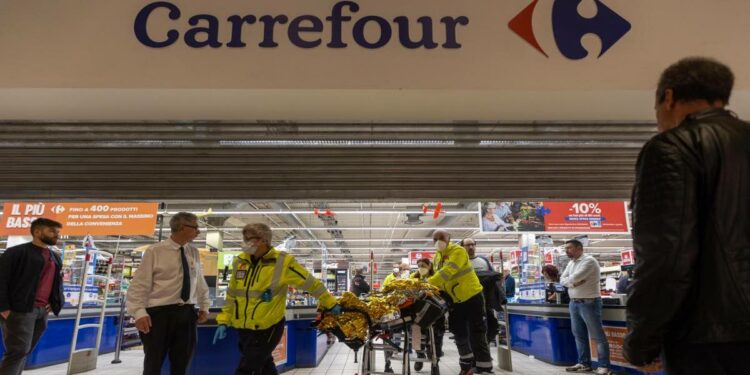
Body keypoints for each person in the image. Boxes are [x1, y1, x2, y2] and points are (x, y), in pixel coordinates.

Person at [624, 57, 750, 375]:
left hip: (710, 337)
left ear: (669, 97)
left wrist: (642, 339)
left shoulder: (673, 148)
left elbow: (667, 258)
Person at [213, 223, 340, 375]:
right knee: (265, 366)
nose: (245, 242)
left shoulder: (282, 262)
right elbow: (232, 295)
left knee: (247, 369)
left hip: (268, 327)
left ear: (263, 240)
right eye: (244, 238)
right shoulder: (240, 262)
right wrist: (224, 320)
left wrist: (330, 303)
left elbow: (311, 284)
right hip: (244, 328)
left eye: (249, 239)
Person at [126, 212, 211, 375]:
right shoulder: (155, 251)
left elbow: (198, 281)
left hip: (186, 313)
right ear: (182, 228)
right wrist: (138, 312)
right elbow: (139, 284)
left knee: (182, 362)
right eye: (195, 228)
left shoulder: (193, 252)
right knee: (153, 363)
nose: (198, 232)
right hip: (158, 315)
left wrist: (204, 305)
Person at [0, 218, 65, 375]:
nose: (56, 235)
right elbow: (1, 280)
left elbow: (57, 283)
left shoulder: (55, 256)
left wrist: (55, 301)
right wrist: (3, 307)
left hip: (42, 311)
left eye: (58, 232)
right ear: (37, 232)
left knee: (24, 351)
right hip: (20, 310)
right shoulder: (16, 253)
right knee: (17, 351)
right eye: (52, 231)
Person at [428, 230, 493, 375]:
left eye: (441, 238)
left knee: (477, 333)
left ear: (449, 238)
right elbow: (436, 276)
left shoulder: (458, 251)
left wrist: (427, 283)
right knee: (458, 332)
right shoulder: (436, 257)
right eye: (435, 239)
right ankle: (466, 366)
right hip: (455, 301)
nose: (438, 241)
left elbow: (447, 272)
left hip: (472, 297)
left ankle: (485, 368)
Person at [560, 239, 610, 375]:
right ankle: (584, 363)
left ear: (578, 248)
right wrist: (572, 283)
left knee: (597, 336)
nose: (566, 250)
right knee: (579, 335)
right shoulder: (571, 263)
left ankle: (604, 366)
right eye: (566, 248)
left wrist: (572, 282)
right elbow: (562, 280)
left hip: (589, 302)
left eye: (569, 248)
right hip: (574, 303)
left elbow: (573, 278)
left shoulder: (589, 261)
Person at [463, 238, 503, 346]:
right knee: (470, 328)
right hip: (468, 301)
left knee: (490, 325)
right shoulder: (461, 262)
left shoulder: (484, 261)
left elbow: (493, 278)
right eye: (467, 245)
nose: (470, 247)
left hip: (486, 300)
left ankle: (485, 348)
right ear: (462, 247)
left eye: (472, 244)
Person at [410, 258, 446, 372]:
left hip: (436, 313)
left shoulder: (438, 277)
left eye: (424, 265)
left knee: (436, 337)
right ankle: (420, 356)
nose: (421, 268)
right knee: (416, 334)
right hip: (418, 313)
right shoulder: (413, 278)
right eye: (419, 265)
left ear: (430, 265)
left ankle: (435, 362)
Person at [381, 262, 410, 372]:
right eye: (401, 268)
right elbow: (383, 291)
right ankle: (388, 360)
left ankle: (418, 353)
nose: (401, 270)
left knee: (412, 333)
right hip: (393, 311)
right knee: (390, 334)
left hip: (407, 312)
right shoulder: (389, 278)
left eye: (404, 269)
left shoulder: (410, 278)